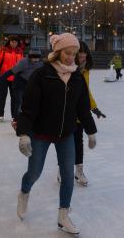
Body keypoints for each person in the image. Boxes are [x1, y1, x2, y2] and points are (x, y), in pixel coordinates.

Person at [15, 33, 97, 235]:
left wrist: (91, 131)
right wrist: (24, 133)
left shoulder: (77, 77)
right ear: (58, 52)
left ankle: (63, 217)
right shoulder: (42, 75)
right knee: (34, 173)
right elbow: (28, 108)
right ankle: (24, 192)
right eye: (67, 53)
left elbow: (83, 107)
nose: (71, 57)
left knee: (68, 176)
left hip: (66, 134)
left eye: (74, 54)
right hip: (40, 133)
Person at [57, 41, 106, 186]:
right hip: (65, 113)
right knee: (65, 143)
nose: (82, 60)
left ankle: (79, 171)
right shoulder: (65, 69)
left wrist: (94, 108)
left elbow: (86, 92)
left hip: (79, 115)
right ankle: (61, 169)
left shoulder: (85, 71)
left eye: (85, 57)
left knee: (78, 143)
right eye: (80, 57)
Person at [0, 48, 43, 129]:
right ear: (30, 57)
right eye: (34, 58)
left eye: (37, 58)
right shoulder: (23, 63)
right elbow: (10, 72)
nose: (35, 60)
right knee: (19, 102)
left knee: (32, 101)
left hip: (30, 83)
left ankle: (31, 119)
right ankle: (16, 120)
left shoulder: (41, 63)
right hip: (19, 83)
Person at [0, 35, 24, 121]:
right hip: (3, 76)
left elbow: (21, 65)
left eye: (16, 42)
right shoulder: (3, 49)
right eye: (12, 42)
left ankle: (14, 115)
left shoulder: (20, 51)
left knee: (14, 97)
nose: (14, 43)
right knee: (2, 95)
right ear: (9, 42)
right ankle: (0, 114)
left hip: (15, 78)